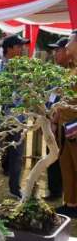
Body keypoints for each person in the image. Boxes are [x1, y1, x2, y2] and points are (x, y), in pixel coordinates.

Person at [0, 34, 30, 200]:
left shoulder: (25, 70)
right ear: (10, 49)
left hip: (19, 119)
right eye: (20, 46)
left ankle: (15, 188)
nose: (23, 49)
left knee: (17, 155)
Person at [42, 37, 72, 200]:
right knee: (52, 155)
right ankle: (55, 190)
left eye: (58, 50)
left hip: (65, 123)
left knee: (66, 160)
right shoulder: (54, 72)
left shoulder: (72, 73)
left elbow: (64, 100)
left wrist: (55, 121)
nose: (55, 54)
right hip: (51, 121)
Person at [53, 30, 77, 217]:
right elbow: (63, 98)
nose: (66, 45)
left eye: (69, 41)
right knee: (67, 165)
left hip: (75, 127)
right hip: (64, 126)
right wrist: (55, 119)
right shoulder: (71, 68)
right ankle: (71, 204)